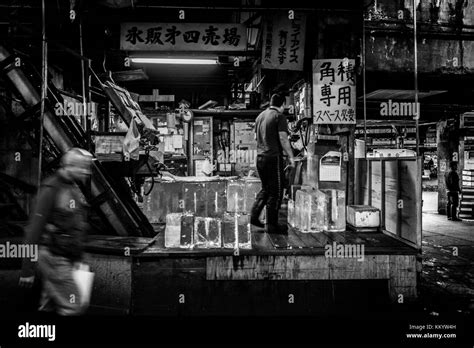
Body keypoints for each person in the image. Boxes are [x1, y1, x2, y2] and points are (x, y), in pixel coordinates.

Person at [18, 147, 92, 315]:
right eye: (82, 167)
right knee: (74, 305)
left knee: (50, 306)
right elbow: (33, 231)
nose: (85, 172)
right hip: (54, 258)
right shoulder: (51, 189)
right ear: (69, 166)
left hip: (63, 256)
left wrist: (78, 257)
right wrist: (27, 270)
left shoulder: (72, 188)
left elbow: (76, 224)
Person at [250, 94, 295, 234]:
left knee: (266, 189)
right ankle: (272, 225)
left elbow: (255, 138)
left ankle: (254, 217)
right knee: (276, 192)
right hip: (273, 158)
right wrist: (291, 157)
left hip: (260, 158)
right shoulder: (279, 116)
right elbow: (283, 137)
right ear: (282, 104)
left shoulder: (260, 117)